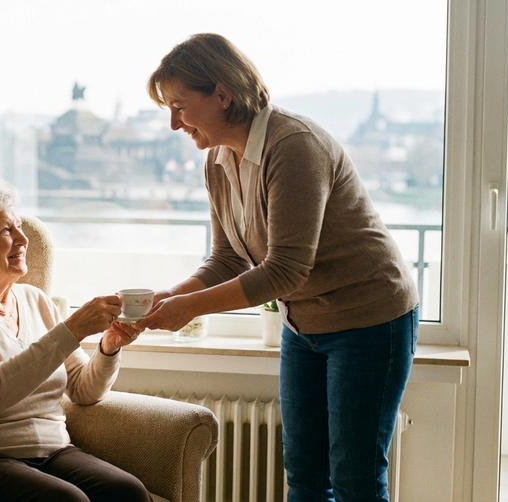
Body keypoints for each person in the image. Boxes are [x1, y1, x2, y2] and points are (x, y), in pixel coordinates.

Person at [137, 33, 420, 502]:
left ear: (223, 93)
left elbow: (286, 270)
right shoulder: (217, 160)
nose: (173, 123)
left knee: (356, 481)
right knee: (305, 478)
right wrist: (171, 296)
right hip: (302, 324)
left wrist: (188, 308)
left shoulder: (293, 146)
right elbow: (227, 257)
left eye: (180, 106)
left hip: (369, 321)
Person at [0, 177, 150, 502]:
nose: (24, 239)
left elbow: (84, 390)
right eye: (5, 231)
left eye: (19, 227)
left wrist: (108, 348)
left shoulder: (35, 301)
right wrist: (72, 330)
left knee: (128, 492)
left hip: (51, 449)